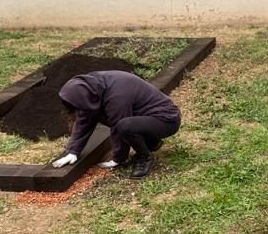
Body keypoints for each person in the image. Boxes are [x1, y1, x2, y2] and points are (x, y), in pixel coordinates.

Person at [50, 71, 181, 178]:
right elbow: (85, 119)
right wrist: (73, 151)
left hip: (166, 120)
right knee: (109, 118)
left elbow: (117, 127)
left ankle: (145, 158)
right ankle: (152, 142)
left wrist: (118, 159)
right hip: (148, 119)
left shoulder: (116, 96)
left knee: (124, 126)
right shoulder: (93, 88)